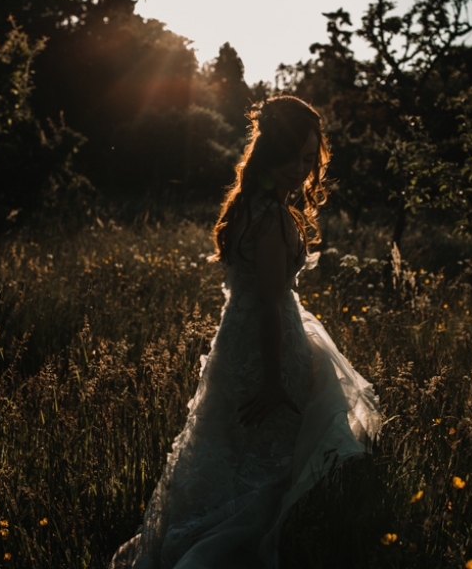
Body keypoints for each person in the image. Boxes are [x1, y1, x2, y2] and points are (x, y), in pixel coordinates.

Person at [109, 95, 381, 569]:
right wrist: (274, 381)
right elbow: (272, 305)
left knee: (230, 452)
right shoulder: (272, 215)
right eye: (297, 157)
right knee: (266, 459)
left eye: (308, 160)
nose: (302, 170)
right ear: (273, 152)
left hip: (234, 344)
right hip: (265, 350)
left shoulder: (245, 205)